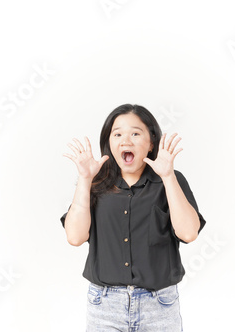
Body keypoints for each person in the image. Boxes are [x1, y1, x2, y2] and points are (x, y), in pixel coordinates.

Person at [60, 104, 206, 331]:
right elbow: (75, 237)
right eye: (117, 134)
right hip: (105, 306)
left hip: (159, 306)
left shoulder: (171, 181)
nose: (125, 141)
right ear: (109, 143)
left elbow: (188, 232)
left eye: (135, 133)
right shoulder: (95, 183)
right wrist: (85, 180)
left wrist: (167, 176)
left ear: (151, 143)